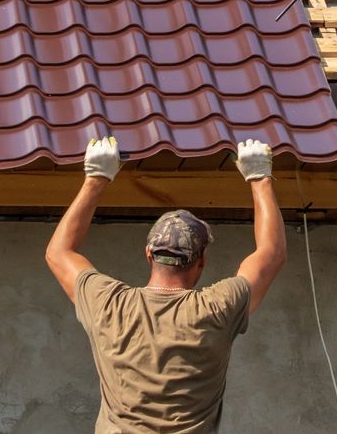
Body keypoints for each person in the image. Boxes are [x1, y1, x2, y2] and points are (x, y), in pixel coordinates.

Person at [45, 136, 287, 432]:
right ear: (201, 262)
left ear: (149, 254)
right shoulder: (217, 308)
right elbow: (271, 255)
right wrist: (259, 177)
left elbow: (59, 253)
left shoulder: (108, 304)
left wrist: (96, 178)